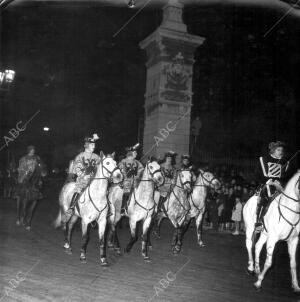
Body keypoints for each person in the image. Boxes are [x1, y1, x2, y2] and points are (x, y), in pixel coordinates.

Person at [255, 141, 290, 232]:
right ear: (273, 150)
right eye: (278, 150)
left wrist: (279, 181)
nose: (280, 152)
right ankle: (258, 224)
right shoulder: (264, 159)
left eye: (281, 150)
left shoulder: (285, 162)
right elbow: (259, 174)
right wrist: (269, 181)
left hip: (279, 185)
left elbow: (285, 176)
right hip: (267, 184)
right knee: (264, 199)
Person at [65, 133, 100, 220]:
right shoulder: (80, 156)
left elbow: (100, 168)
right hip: (83, 179)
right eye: (92, 145)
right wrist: (84, 176)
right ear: (87, 145)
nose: (94, 146)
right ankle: (71, 207)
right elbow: (77, 168)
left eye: (94, 145)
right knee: (79, 189)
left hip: (94, 180)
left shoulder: (97, 157)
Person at [119, 143, 144, 216]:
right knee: (126, 192)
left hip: (135, 183)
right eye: (135, 152)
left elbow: (141, 171)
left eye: (136, 152)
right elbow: (120, 171)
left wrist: (137, 175)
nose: (136, 153)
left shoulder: (137, 162)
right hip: (125, 183)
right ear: (130, 153)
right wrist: (127, 174)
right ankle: (123, 208)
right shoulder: (123, 161)